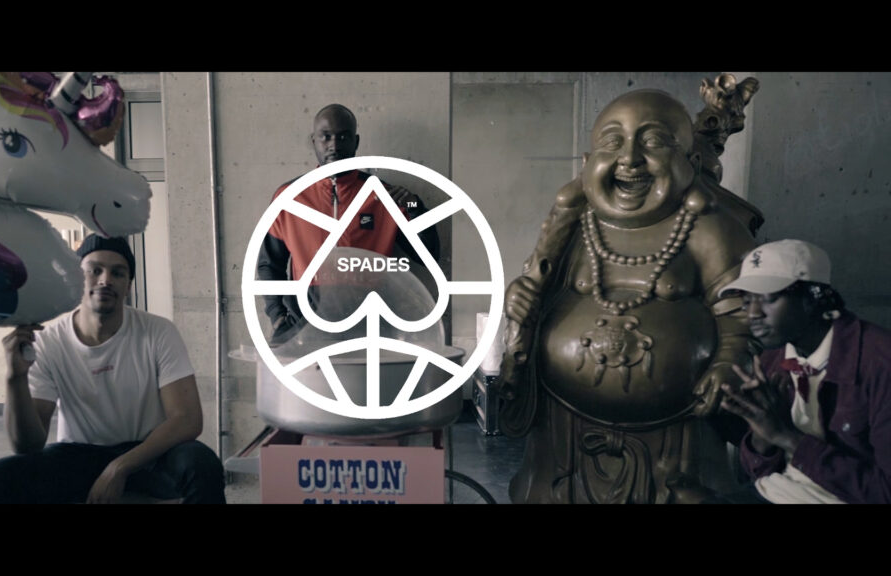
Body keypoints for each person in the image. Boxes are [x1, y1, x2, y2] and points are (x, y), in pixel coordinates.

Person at [499, 89, 757, 503]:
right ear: (587, 163)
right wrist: (521, 302)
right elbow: (537, 287)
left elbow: (744, 314)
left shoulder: (710, 228)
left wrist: (728, 361)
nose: (629, 159)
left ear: (691, 162)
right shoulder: (572, 226)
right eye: (612, 141)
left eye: (653, 141)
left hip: (676, 435)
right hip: (566, 433)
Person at [0, 235, 226, 504]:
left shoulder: (158, 332)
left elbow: (187, 419)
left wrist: (119, 467)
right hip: (77, 456)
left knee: (201, 464)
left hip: (148, 454)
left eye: (117, 273)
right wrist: (15, 378)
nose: (105, 280)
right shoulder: (48, 342)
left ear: (128, 286)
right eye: (94, 270)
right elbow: (27, 445)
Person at [715, 239, 891, 504]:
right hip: (777, 494)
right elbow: (759, 474)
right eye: (747, 301)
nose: (753, 313)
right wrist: (762, 434)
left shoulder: (880, 362)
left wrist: (786, 436)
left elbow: (885, 493)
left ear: (814, 298)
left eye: (769, 298)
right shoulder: (773, 359)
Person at [257, 103, 441, 344]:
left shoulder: (382, 195)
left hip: (369, 325)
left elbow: (428, 254)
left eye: (343, 137)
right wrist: (278, 317)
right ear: (314, 141)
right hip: (305, 328)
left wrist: (414, 205)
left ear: (356, 142)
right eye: (326, 137)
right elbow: (269, 264)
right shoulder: (289, 197)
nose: (334, 145)